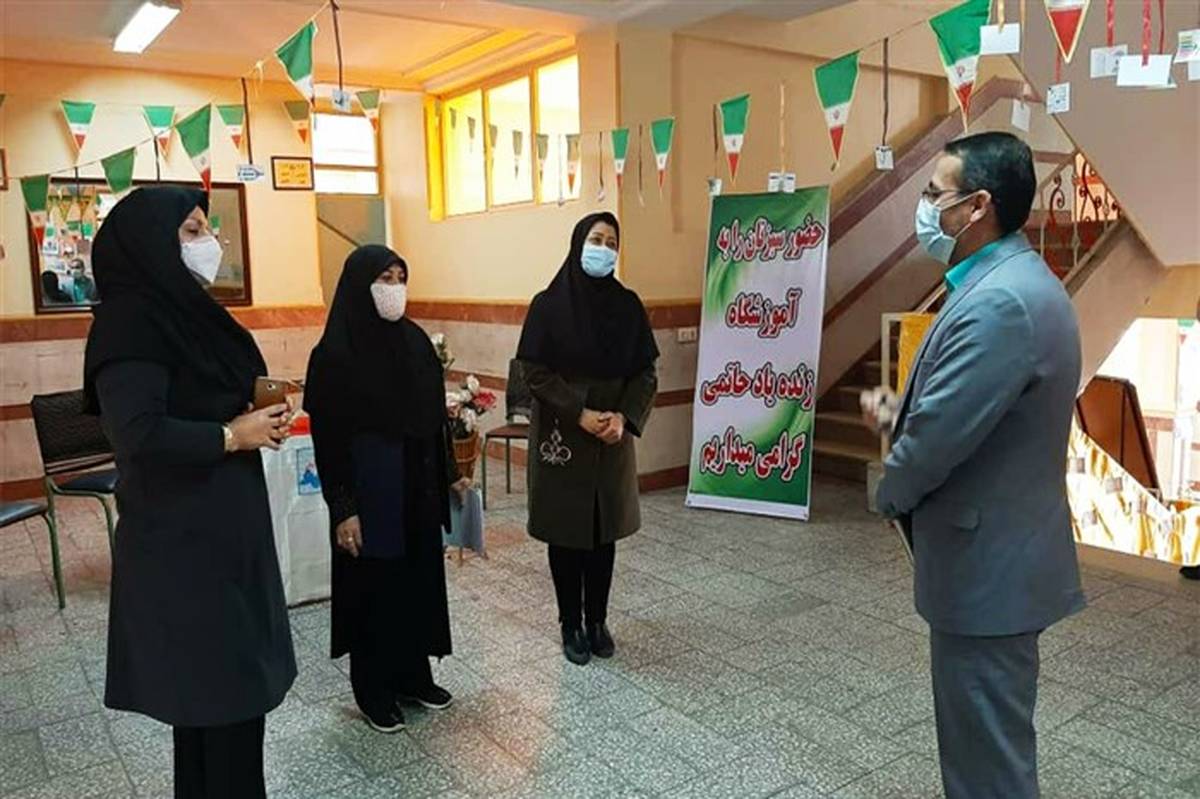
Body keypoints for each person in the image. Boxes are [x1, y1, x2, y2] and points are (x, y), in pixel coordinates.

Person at [868, 132, 1085, 799]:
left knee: (986, 766)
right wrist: (900, 415)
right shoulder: (1006, 281)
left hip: (990, 570)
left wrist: (888, 491)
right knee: (985, 747)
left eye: (935, 192)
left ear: (977, 206)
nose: (925, 206)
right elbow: (967, 411)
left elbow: (937, 439)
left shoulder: (1000, 301)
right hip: (999, 560)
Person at [83, 187, 296, 799]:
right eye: (192, 231)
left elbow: (202, 397)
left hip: (226, 533)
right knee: (220, 701)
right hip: (185, 546)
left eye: (207, 230)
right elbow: (139, 433)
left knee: (221, 708)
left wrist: (257, 413)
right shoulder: (130, 322)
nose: (209, 244)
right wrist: (231, 435)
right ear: (152, 241)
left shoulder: (188, 313)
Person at [305, 245, 469, 732]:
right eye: (384, 277)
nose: (395, 287)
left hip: (416, 482)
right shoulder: (334, 354)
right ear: (359, 284)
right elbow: (328, 440)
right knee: (374, 587)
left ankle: (414, 675)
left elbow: (434, 419)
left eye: (400, 277)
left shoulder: (415, 342)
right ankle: (373, 689)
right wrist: (343, 507)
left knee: (416, 579)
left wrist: (450, 473)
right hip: (370, 485)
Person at [516, 212, 658, 666]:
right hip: (563, 432)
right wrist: (577, 410)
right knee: (566, 533)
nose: (604, 249)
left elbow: (645, 373)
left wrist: (625, 418)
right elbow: (534, 371)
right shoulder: (548, 305)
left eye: (612, 243)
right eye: (596, 239)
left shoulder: (628, 306)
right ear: (579, 243)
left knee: (602, 532)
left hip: (610, 435)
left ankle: (597, 621)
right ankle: (570, 623)